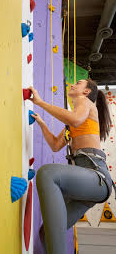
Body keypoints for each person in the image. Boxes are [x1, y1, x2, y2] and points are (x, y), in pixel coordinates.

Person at [28, 78, 116, 254]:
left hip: (95, 174)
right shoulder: (72, 123)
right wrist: (42, 124)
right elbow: (55, 145)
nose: (73, 84)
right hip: (86, 186)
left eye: (79, 83)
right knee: (47, 233)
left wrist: (40, 103)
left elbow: (75, 119)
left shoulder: (86, 103)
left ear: (86, 92)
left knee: (47, 174)